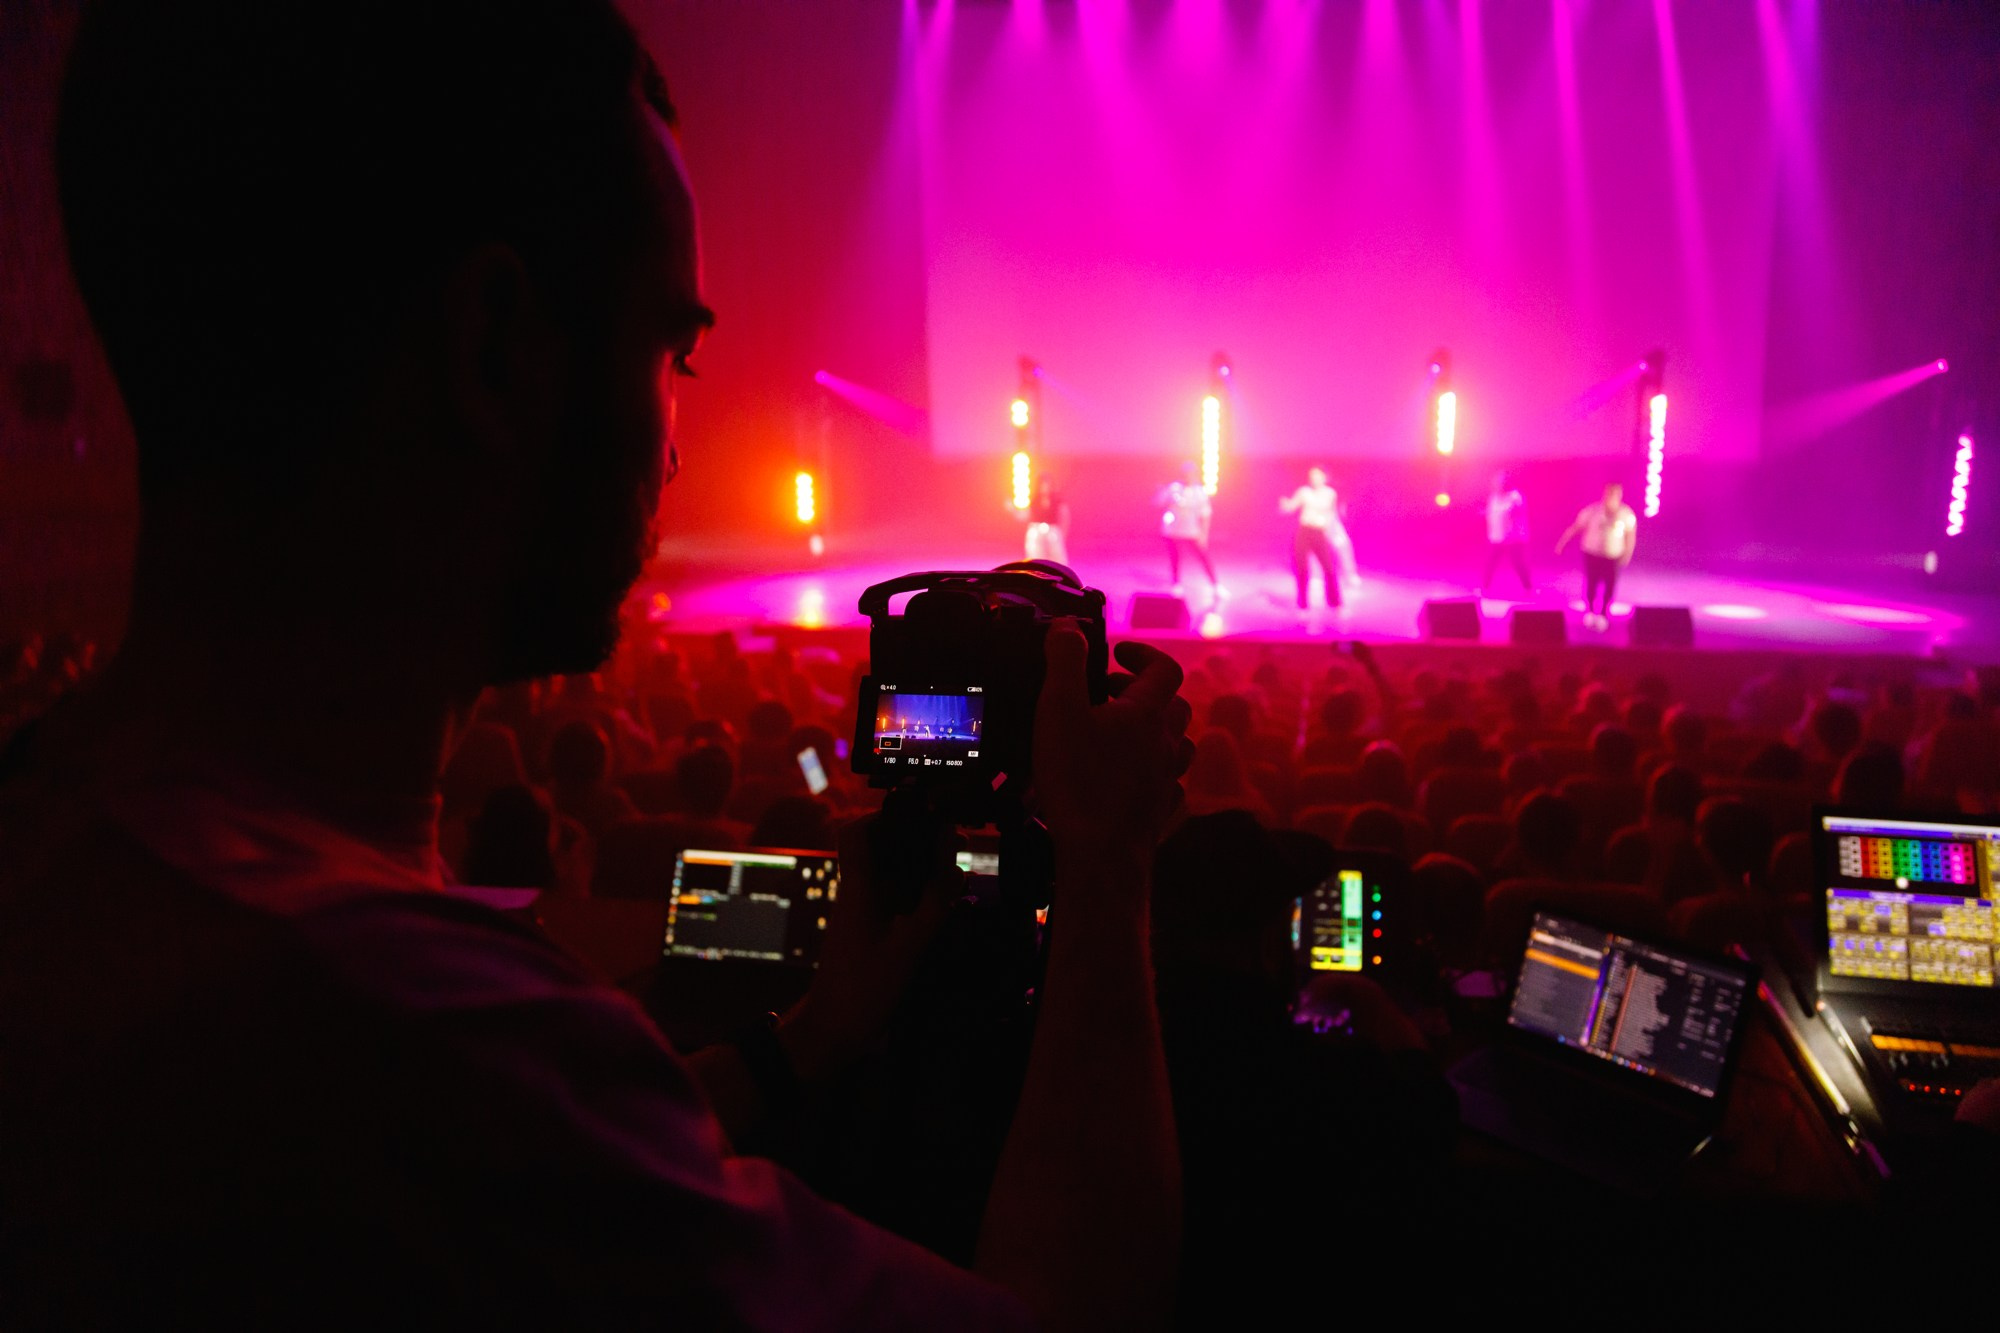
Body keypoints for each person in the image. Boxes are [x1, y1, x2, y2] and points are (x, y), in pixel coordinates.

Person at [0, 3, 1193, 1325]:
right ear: (494, 349)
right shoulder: (432, 1041)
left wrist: (806, 1043)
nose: (673, 442)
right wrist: (1106, 862)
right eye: (669, 351)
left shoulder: (64, 849)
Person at [1555, 480, 1637, 631]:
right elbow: (1575, 528)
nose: (1611, 496)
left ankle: (1604, 614)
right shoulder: (1592, 511)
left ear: (1620, 495)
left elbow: (1630, 537)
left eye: (1615, 493)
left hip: (1613, 556)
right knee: (1591, 583)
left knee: (1610, 585)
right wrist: (1562, 543)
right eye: (1609, 493)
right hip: (1592, 554)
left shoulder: (1626, 514)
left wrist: (1627, 554)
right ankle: (1591, 612)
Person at [1278, 466, 1351, 612]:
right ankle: (1302, 603)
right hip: (1304, 532)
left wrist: (1329, 531)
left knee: (1329, 567)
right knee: (1302, 568)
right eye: (1312, 475)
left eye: (1317, 475)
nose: (1314, 478)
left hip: (1319, 532)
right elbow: (1291, 507)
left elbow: (1331, 514)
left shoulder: (1330, 494)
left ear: (1324, 477)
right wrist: (1284, 505)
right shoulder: (1304, 492)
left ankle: (1334, 602)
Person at [1155, 460, 1220, 602]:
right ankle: (1176, 584)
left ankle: (1215, 585)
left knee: (1203, 557)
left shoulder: (1199, 492)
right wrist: (1160, 492)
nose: (1188, 477)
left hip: (1192, 531)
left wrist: (1204, 534)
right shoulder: (1173, 489)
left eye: (1191, 474)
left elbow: (1205, 514)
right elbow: (1159, 503)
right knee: (1176, 558)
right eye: (1185, 474)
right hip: (1173, 531)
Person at [1480, 470, 1533, 595]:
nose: (1497, 485)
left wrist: (1510, 512)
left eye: (1500, 482)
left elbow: (1517, 511)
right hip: (1496, 537)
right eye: (1496, 483)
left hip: (1513, 538)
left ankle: (1528, 588)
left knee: (1518, 563)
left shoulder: (1515, 496)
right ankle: (1485, 588)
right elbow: (1491, 513)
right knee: (1490, 563)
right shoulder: (1493, 497)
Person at [1021, 474, 1070, 567]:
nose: (1044, 487)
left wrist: (1063, 533)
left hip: (1052, 530)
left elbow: (1064, 517)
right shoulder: (1033, 500)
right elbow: (1026, 516)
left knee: (1057, 556)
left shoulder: (1057, 500)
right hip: (1036, 530)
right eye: (1042, 485)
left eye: (1047, 484)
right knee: (1035, 554)